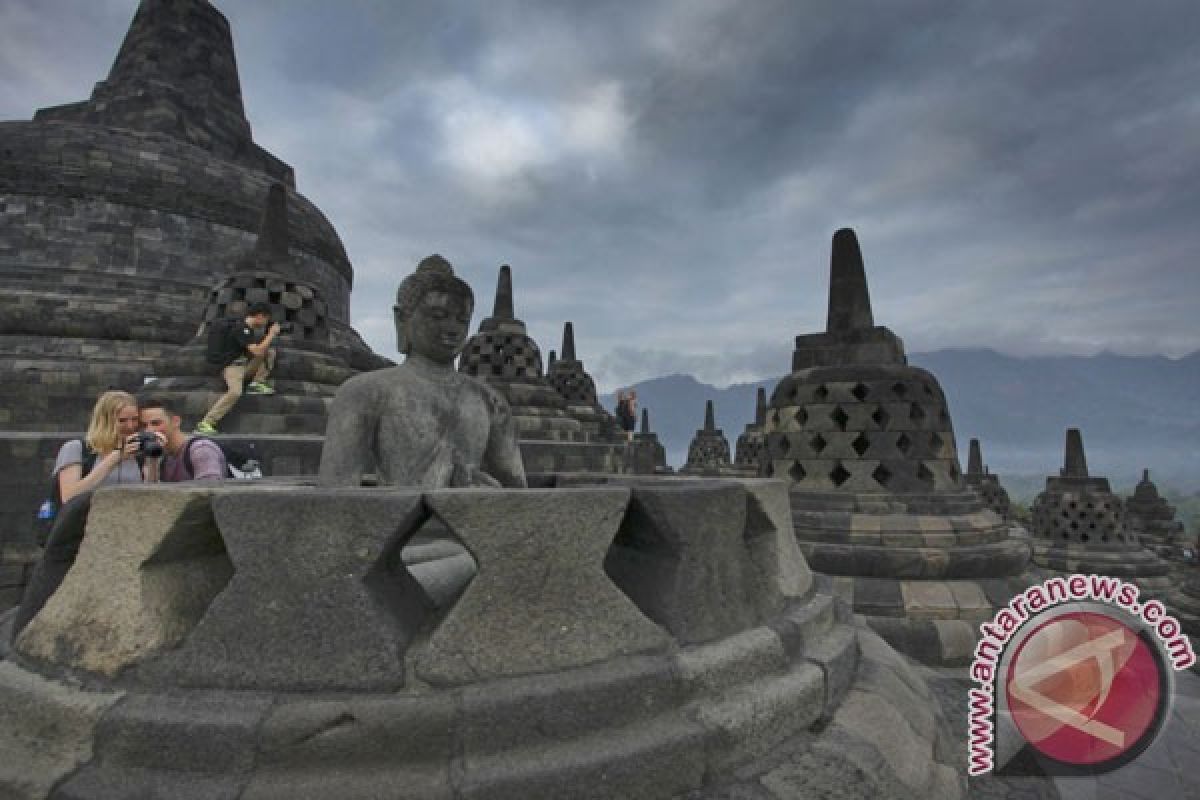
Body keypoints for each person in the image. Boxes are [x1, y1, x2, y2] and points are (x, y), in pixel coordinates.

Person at [318, 254, 526, 489]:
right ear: (402, 319)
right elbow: (335, 494)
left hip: (472, 521)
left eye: (462, 320)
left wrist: (488, 496)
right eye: (438, 316)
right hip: (395, 522)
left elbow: (517, 491)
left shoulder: (491, 402)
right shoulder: (364, 392)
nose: (452, 329)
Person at [13, 390, 148, 637]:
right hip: (75, 536)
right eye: (122, 421)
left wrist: (153, 462)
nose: (130, 427)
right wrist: (112, 460)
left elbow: (149, 494)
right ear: (106, 420)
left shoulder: (135, 453)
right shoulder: (77, 448)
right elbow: (71, 496)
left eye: (134, 420)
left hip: (117, 538)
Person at [195, 301, 280, 435]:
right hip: (232, 367)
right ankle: (206, 422)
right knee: (235, 392)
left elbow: (256, 352)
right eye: (266, 319)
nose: (266, 323)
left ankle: (257, 383)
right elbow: (257, 352)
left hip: (243, 366)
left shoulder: (248, 329)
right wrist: (271, 334)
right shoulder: (242, 329)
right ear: (260, 316)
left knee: (269, 352)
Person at [139, 396, 228, 481]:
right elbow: (151, 493)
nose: (149, 430)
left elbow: (209, 491)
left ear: (176, 421)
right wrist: (152, 462)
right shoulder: (161, 454)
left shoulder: (201, 450)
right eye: (144, 425)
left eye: (156, 423)